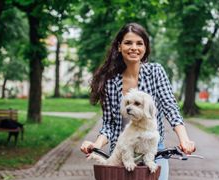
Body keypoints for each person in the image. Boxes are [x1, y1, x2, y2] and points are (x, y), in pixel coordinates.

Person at [80, 22, 196, 180]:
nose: (134, 47)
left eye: (139, 43)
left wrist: (184, 139)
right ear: (119, 47)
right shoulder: (110, 81)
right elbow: (109, 124)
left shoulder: (155, 72)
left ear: (145, 48)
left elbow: (171, 108)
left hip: (152, 150)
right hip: (123, 152)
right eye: (128, 43)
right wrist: (96, 145)